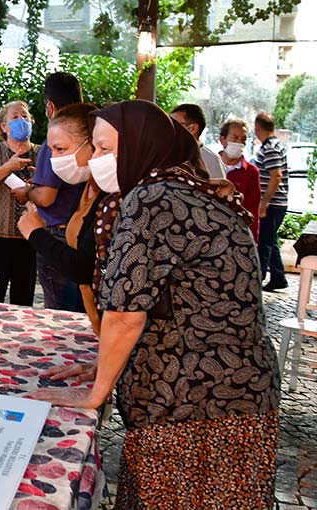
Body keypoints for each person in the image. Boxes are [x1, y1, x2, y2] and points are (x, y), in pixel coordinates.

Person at [36, 100, 280, 509]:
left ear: (140, 146)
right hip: (237, 392)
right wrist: (109, 362)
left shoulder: (151, 200)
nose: (95, 160)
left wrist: (95, 394)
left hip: (192, 402)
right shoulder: (188, 186)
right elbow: (182, 299)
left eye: (105, 149)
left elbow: (126, 312)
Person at [17, 103, 106, 333]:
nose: (54, 159)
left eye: (60, 149)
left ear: (92, 144)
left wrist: (36, 233)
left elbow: (83, 267)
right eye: (51, 150)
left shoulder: (109, 194)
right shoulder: (90, 187)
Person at [29, 72, 86, 312]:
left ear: (49, 106)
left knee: (61, 314)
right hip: (82, 235)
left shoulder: (52, 142)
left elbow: (46, 196)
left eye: (60, 149)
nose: (57, 153)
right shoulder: (90, 137)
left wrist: (28, 192)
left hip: (58, 235)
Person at [0, 101, 39, 306]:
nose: (22, 120)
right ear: (3, 126)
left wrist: (35, 187)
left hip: (31, 236)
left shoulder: (41, 153)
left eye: (25, 116)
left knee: (24, 299)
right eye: (15, 117)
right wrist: (8, 167)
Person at [254, 112, 289, 292]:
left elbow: (276, 176)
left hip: (273, 203)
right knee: (271, 240)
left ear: (257, 128)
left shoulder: (270, 148)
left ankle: (258, 279)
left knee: (265, 242)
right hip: (277, 203)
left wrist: (264, 202)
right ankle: (278, 276)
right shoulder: (276, 145)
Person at [219, 118, 260, 241]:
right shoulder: (209, 164)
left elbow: (253, 210)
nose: (239, 143)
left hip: (237, 234)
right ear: (222, 140)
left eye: (243, 139)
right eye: (235, 138)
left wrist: (253, 241)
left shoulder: (251, 172)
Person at [171, 103, 226, 179]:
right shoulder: (167, 154)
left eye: (175, 124)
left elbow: (219, 189)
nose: (170, 129)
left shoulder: (211, 160)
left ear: (192, 128)